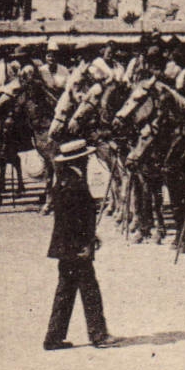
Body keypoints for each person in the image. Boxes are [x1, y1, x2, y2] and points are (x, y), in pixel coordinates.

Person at [44, 139, 113, 350]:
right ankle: (98, 335)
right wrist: (85, 244)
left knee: (65, 290)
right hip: (75, 247)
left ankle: (53, 338)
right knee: (89, 289)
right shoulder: (74, 183)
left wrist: (92, 236)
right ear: (79, 159)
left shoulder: (66, 179)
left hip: (65, 247)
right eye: (85, 158)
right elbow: (74, 221)